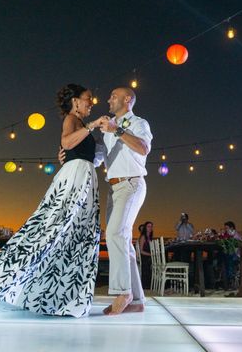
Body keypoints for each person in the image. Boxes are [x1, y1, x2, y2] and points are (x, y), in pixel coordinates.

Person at [0, 84, 106, 317]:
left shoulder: (83, 126)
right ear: (75, 101)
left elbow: (87, 155)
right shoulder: (71, 119)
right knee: (49, 229)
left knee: (76, 237)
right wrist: (92, 127)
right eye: (88, 99)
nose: (91, 103)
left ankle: (58, 298)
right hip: (74, 180)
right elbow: (66, 143)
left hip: (86, 179)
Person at [99, 87, 153, 315]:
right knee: (123, 240)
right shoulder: (107, 126)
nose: (108, 99)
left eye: (113, 96)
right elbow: (102, 155)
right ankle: (137, 300)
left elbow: (144, 148)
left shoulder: (139, 123)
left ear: (127, 99)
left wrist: (117, 130)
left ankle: (123, 292)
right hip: (113, 188)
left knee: (115, 234)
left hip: (131, 184)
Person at [138, 221, 154, 289]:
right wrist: (151, 255)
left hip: (148, 256)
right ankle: (146, 284)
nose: (150, 228)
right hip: (144, 257)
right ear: (145, 228)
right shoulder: (143, 237)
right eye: (148, 226)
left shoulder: (149, 237)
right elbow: (141, 251)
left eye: (151, 226)